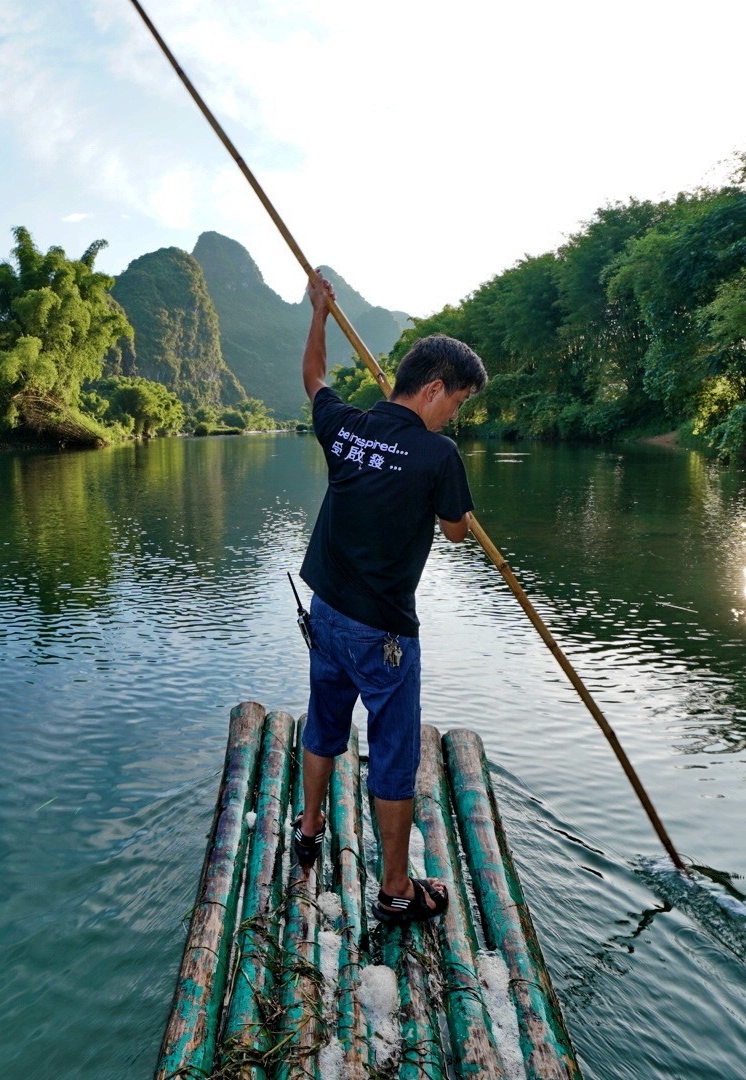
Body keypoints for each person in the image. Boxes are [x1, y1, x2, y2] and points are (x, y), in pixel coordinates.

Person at [291, 271, 486, 923]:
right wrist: (448, 501)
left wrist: (319, 313)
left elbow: (314, 378)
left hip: (326, 615)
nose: (453, 414)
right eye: (455, 402)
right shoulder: (438, 456)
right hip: (385, 637)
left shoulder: (345, 427)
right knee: (395, 756)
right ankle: (398, 889)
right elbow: (457, 534)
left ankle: (309, 826)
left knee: (323, 724)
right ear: (433, 389)